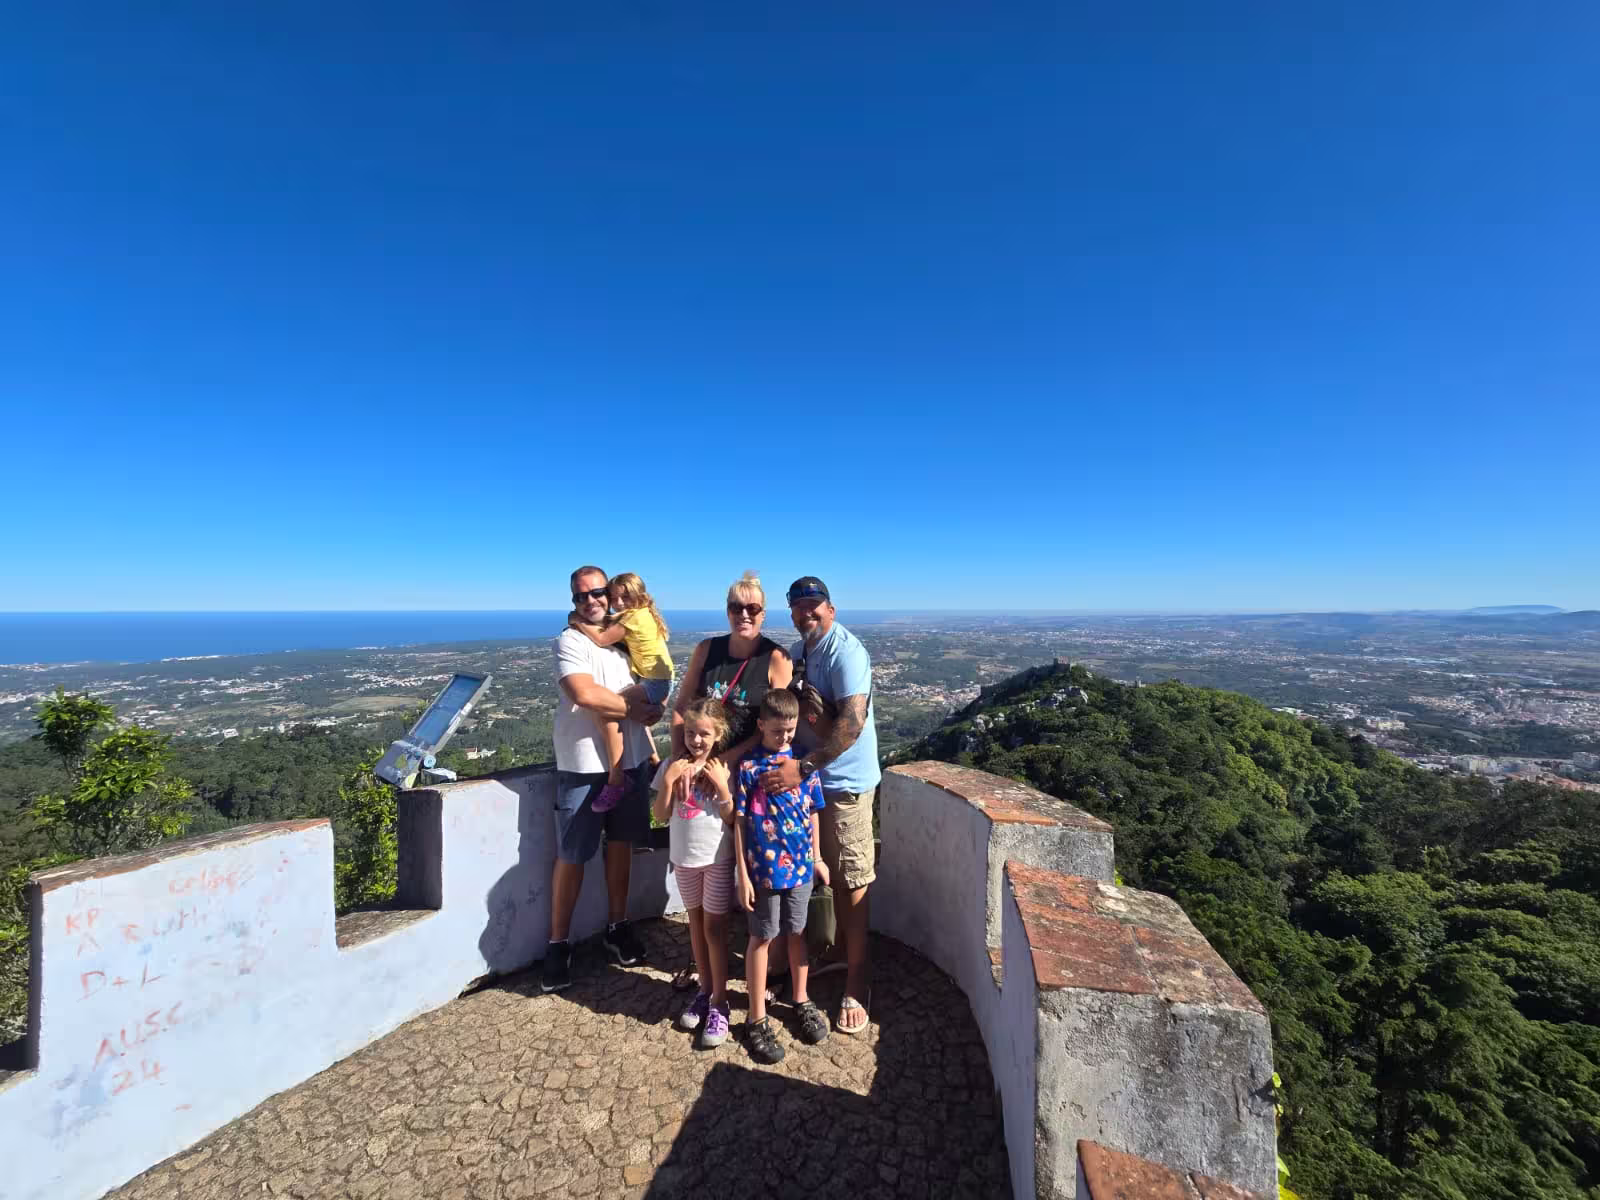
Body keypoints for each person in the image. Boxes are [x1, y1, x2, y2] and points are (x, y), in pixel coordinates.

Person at [758, 576, 880, 1035]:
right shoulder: (806, 649)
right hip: (812, 784)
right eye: (799, 606)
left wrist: (801, 769)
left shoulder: (845, 651)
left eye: (814, 605)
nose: (806, 612)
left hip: (842, 785)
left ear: (830, 608)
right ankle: (813, 960)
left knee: (851, 879)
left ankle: (857, 979)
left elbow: (850, 725)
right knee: (807, 872)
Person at [542, 566, 663, 993]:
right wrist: (636, 711)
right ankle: (558, 944)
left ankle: (617, 926)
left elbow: (643, 689)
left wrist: (648, 736)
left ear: (610, 595)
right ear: (573, 601)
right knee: (573, 853)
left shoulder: (623, 640)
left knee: (620, 847)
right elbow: (584, 694)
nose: (591, 600)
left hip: (629, 760)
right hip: (582, 762)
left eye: (598, 593)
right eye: (582, 596)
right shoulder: (570, 640)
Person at [734, 688, 831, 1063]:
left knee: (797, 932)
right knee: (761, 937)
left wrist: (818, 857)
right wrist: (742, 873)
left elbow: (814, 812)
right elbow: (740, 823)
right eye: (778, 731)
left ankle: (801, 999)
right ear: (761, 725)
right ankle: (756, 1017)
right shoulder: (749, 767)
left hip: (801, 869)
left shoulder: (803, 765)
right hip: (762, 871)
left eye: (790, 731)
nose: (785, 737)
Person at [651, 698, 735, 1048]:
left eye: (704, 733)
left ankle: (720, 1002)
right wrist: (669, 782)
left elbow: (732, 818)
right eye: (690, 733)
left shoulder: (722, 769)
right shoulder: (672, 765)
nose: (696, 740)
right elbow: (659, 815)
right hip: (684, 859)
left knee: (714, 929)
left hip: (716, 858)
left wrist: (724, 787)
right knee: (696, 926)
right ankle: (704, 990)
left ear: (718, 735)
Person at [568, 572, 673, 812]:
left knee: (606, 711)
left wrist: (577, 620)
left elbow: (603, 638)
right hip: (658, 681)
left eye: (625, 598)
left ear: (639, 596)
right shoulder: (638, 613)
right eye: (615, 598)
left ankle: (617, 779)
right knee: (631, 714)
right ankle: (654, 761)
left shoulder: (634, 617)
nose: (619, 603)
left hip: (654, 683)